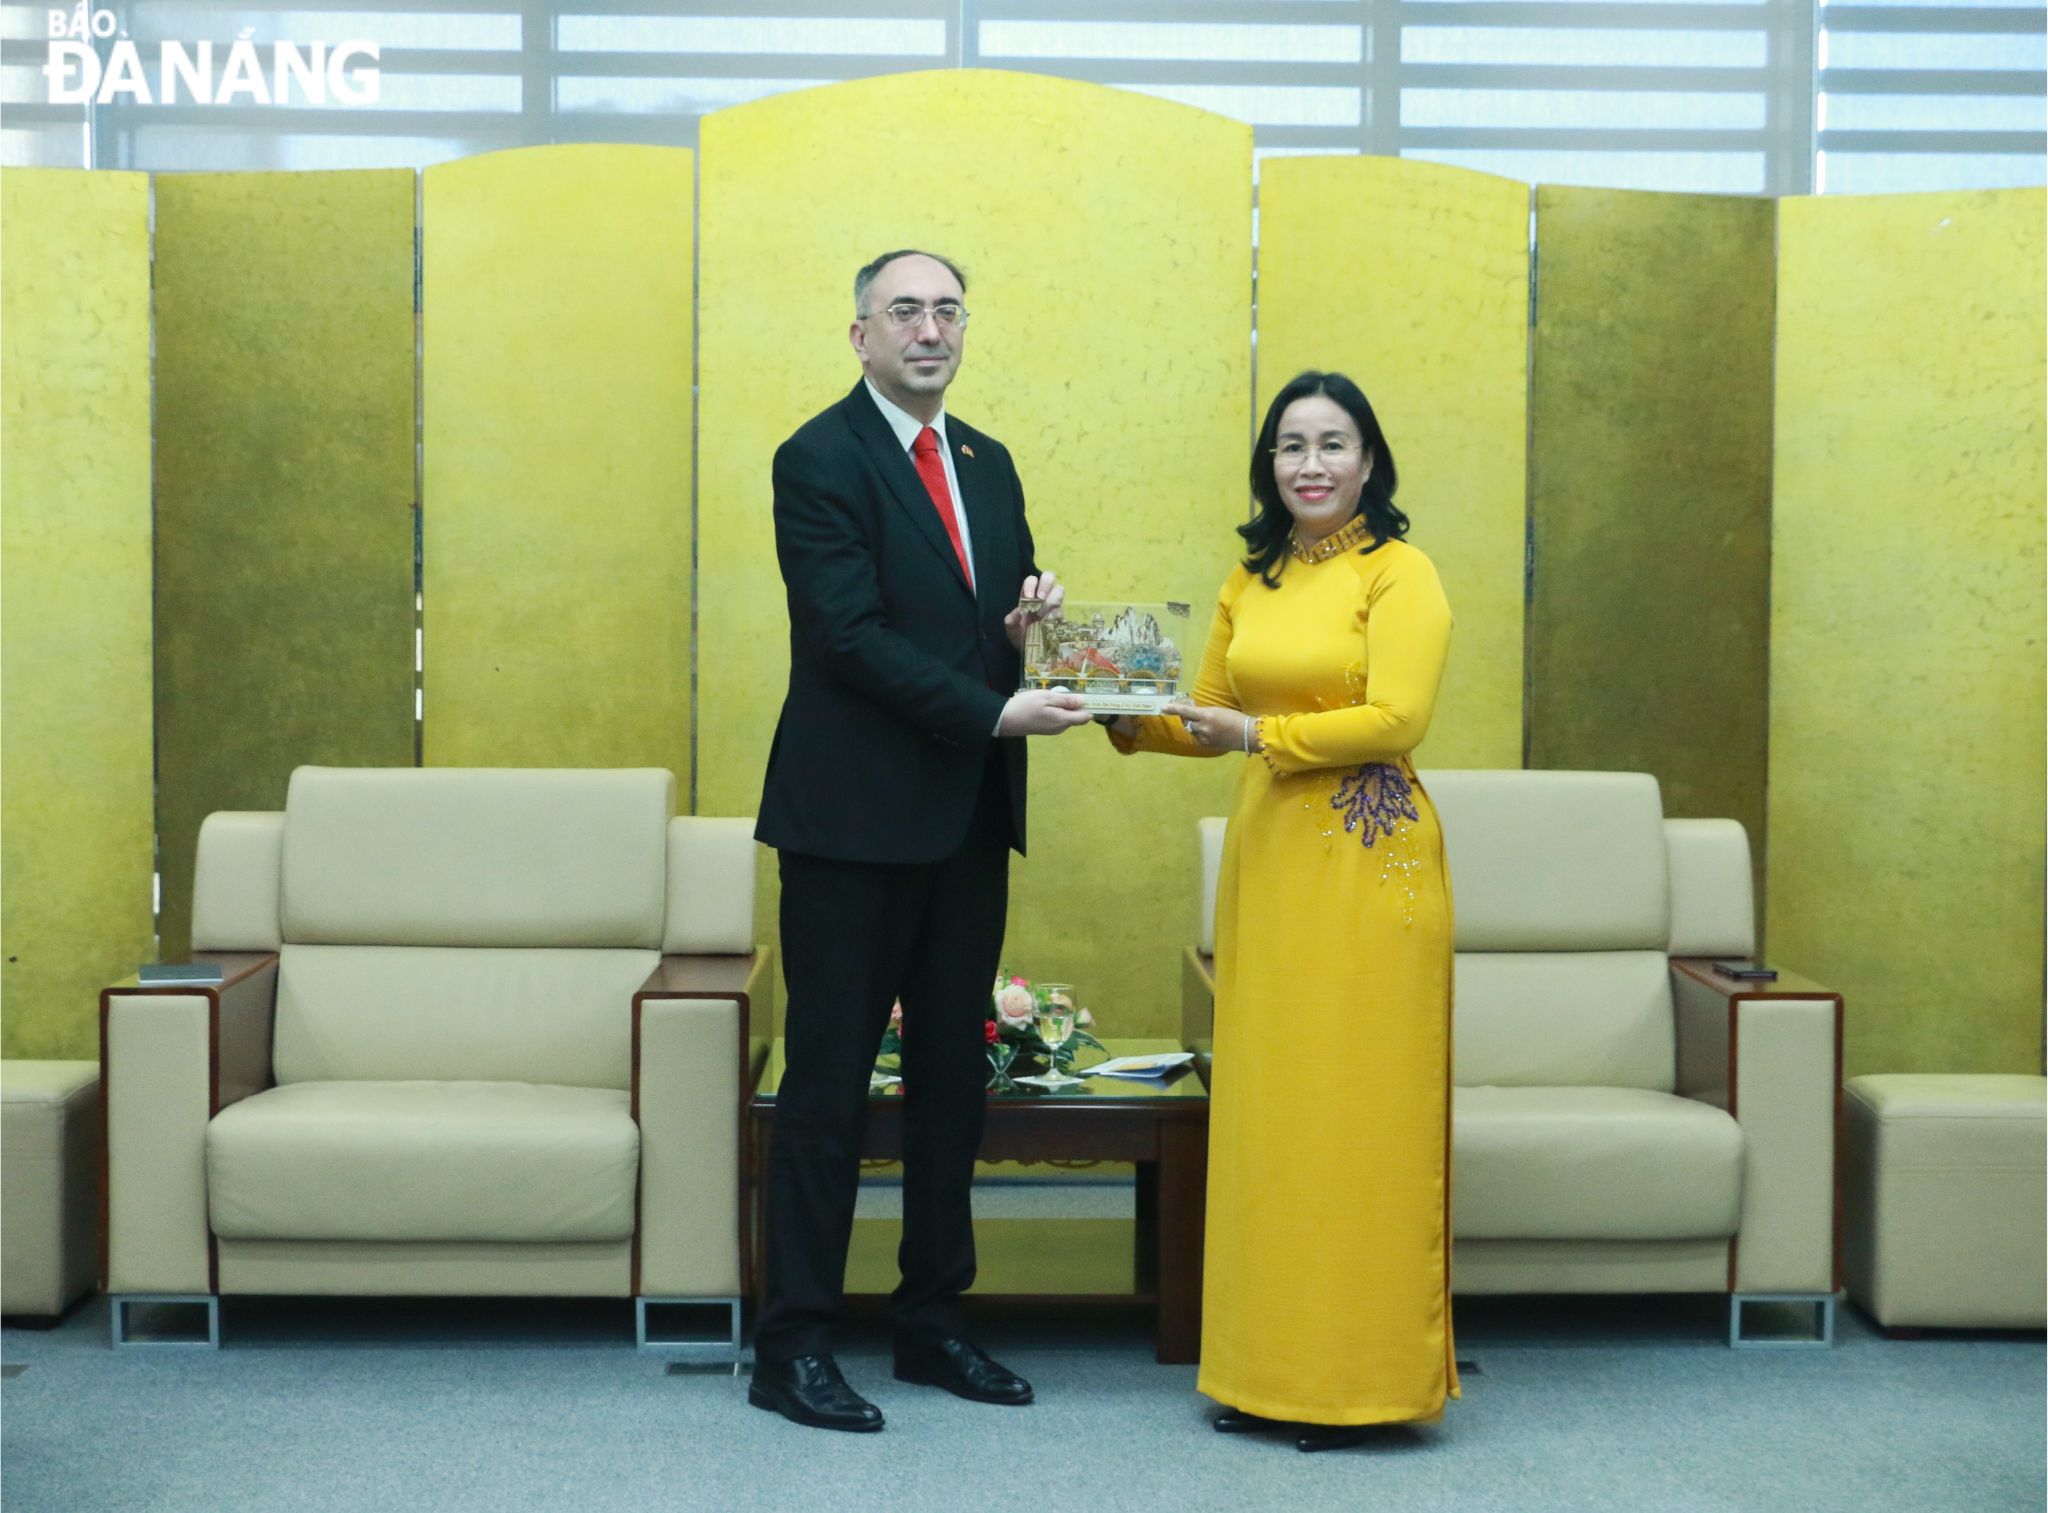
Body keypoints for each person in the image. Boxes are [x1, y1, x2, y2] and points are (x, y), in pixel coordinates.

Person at [749, 249, 1092, 1433]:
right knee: (829, 1090)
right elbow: (844, 637)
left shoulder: (986, 463)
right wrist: (994, 705)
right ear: (859, 336)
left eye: (947, 310)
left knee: (953, 1084)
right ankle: (791, 1343)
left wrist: (1021, 636)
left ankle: (931, 1322)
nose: (929, 329)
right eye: (905, 311)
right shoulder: (817, 457)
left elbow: (971, 629)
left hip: (966, 820)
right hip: (848, 826)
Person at [1104, 370, 1459, 1451]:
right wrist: (1112, 706)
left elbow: (1396, 716)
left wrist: (1258, 739)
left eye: (1332, 444)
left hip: (1368, 863)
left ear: (1368, 461)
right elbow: (1203, 711)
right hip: (1269, 864)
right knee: (1273, 1117)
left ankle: (1360, 1381)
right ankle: (1266, 1373)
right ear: (1269, 464)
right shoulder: (1248, 577)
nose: (1309, 464)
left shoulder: (1401, 574)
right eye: (1289, 445)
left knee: (1358, 1119)